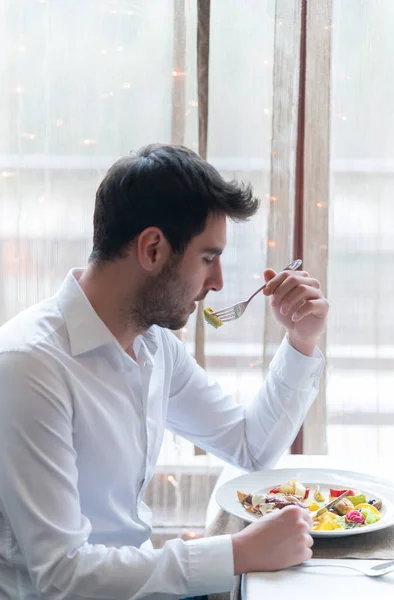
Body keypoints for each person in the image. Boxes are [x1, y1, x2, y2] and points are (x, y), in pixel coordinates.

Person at [0, 144, 328, 600]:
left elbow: (250, 446)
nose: (217, 284)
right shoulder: (28, 368)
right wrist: (235, 554)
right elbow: (62, 578)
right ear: (153, 249)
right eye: (208, 258)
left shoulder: (153, 346)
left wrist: (300, 340)